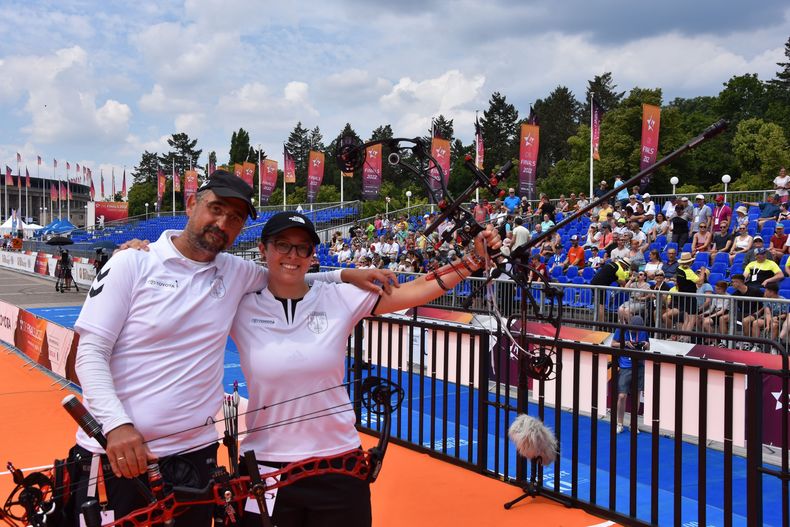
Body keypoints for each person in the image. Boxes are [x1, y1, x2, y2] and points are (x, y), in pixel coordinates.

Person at [71, 171, 394, 526]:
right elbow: (89, 353)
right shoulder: (131, 262)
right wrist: (116, 425)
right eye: (216, 208)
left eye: (235, 218)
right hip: (122, 455)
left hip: (196, 457)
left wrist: (342, 275)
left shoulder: (235, 271)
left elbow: (289, 274)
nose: (223, 222)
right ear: (192, 204)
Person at [231, 212, 500, 526]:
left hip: (338, 463)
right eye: (282, 245)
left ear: (312, 254)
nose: (292, 255)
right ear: (263, 249)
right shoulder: (241, 304)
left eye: (302, 248)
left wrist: (472, 261)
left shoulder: (339, 297)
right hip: (265, 467)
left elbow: (415, 290)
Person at [612, 315, 648, 434]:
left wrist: (645, 345)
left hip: (639, 365)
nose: (636, 331)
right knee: (622, 396)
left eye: (638, 329)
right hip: (625, 365)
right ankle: (619, 423)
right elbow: (613, 344)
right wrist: (625, 343)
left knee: (636, 395)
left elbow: (648, 346)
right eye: (634, 329)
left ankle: (633, 424)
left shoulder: (643, 331)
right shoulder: (621, 329)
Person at [674, 252, 705, 342]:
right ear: (690, 262)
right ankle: (685, 338)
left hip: (682, 295)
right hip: (690, 297)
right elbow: (700, 282)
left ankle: (681, 338)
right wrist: (702, 271)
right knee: (692, 319)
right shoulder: (688, 271)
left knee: (686, 319)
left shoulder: (678, 268)